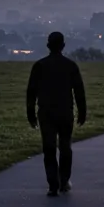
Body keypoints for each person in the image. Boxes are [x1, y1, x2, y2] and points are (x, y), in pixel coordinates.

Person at [26, 32, 87, 196]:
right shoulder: (70, 65)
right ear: (63, 46)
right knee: (65, 147)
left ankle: (53, 184)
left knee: (49, 147)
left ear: (48, 46)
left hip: (46, 112)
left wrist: (30, 113)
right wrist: (82, 111)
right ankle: (64, 181)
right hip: (65, 111)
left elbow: (31, 92)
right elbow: (79, 91)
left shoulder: (39, 66)